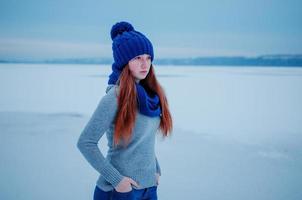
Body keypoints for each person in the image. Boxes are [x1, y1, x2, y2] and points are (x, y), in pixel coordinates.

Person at [77, 21, 173, 200]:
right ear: (124, 62)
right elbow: (85, 142)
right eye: (137, 58)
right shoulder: (116, 96)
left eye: (148, 58)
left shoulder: (151, 94)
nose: (145, 64)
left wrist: (156, 169)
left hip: (149, 188)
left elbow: (143, 142)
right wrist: (118, 181)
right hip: (120, 192)